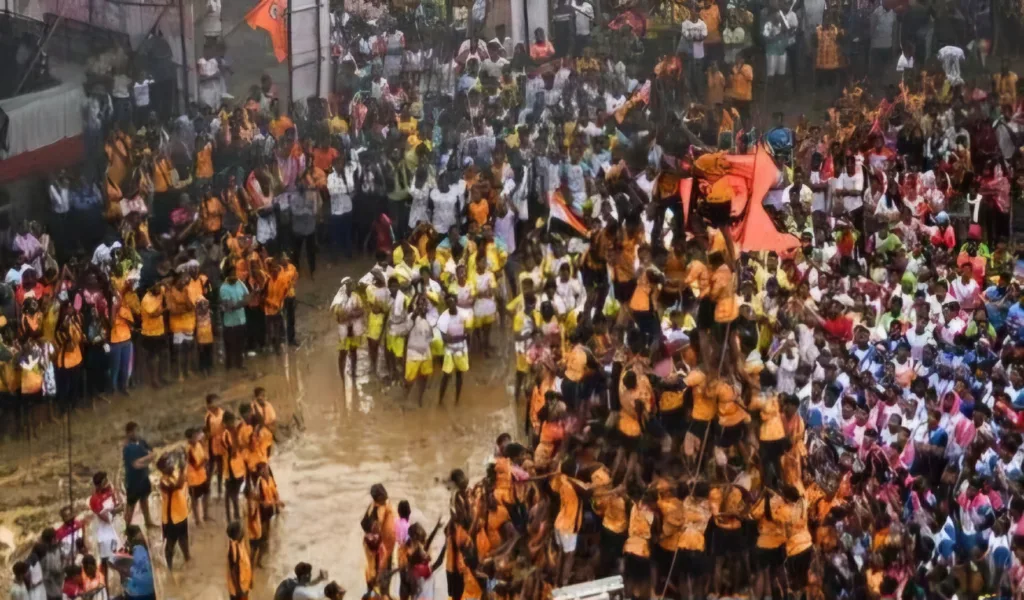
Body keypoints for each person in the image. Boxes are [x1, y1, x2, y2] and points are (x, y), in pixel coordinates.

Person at [156, 453, 190, 570]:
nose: (172, 465)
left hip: (181, 514)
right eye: (168, 464)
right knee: (170, 544)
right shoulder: (163, 482)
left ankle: (188, 559)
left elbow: (184, 482)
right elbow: (178, 485)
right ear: (163, 469)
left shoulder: (175, 474)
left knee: (184, 538)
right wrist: (182, 468)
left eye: (171, 462)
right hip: (171, 519)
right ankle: (169, 568)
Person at [122, 422, 155, 528]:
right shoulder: (127, 448)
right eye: (134, 431)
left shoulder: (141, 442)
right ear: (129, 433)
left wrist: (143, 461)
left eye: (137, 430)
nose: (136, 433)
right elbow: (135, 465)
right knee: (131, 505)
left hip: (143, 477)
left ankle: (148, 522)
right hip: (133, 481)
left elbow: (153, 453)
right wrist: (147, 459)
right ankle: (126, 527)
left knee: (144, 500)